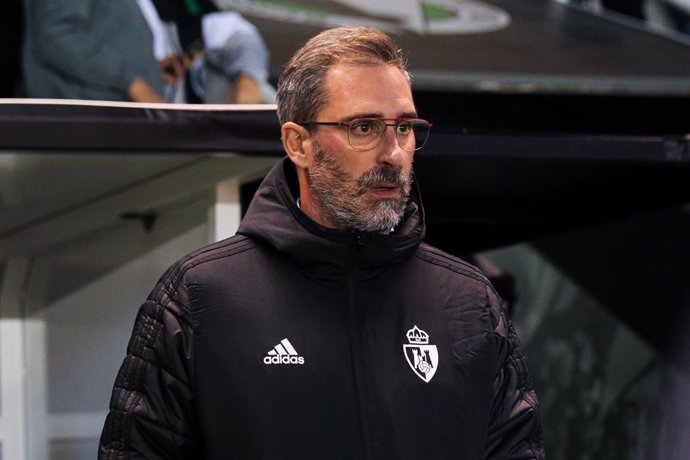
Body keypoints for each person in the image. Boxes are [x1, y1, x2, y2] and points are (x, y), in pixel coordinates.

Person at [99, 26, 544, 459]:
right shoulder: (199, 297)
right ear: (298, 144)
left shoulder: (469, 303)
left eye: (404, 128)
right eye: (365, 128)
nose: (392, 153)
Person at [21, 0, 274, 103]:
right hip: (82, 126)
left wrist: (249, 79)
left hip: (151, 130)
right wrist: (133, 81)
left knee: (267, 96)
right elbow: (55, 34)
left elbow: (236, 33)